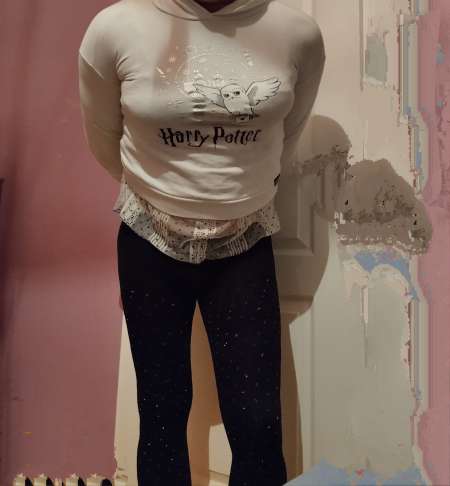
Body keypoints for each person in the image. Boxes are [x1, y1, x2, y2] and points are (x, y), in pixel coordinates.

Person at [78, 0, 326, 484]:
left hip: (245, 243)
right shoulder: (113, 28)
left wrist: (235, 195)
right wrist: (168, 194)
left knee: (258, 424)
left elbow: (285, 137)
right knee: (162, 413)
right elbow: (104, 139)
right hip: (149, 240)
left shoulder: (298, 34)